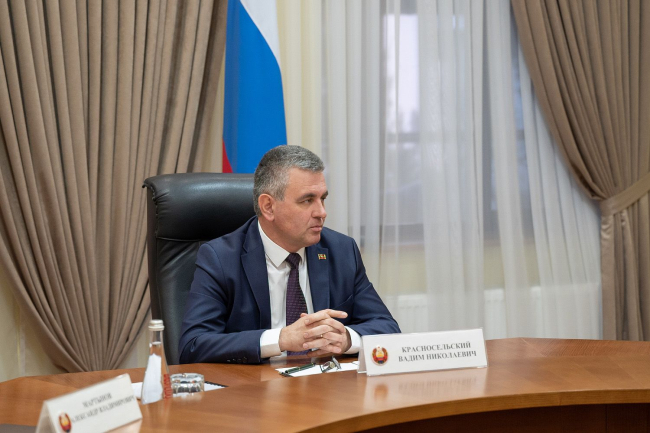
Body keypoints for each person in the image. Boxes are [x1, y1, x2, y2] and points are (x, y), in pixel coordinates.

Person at [178, 145, 400, 364]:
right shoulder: (221, 258)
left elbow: (387, 328)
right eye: (307, 200)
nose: (322, 212)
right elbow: (193, 345)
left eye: (322, 199)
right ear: (268, 206)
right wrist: (280, 339)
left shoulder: (341, 251)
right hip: (256, 384)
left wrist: (347, 339)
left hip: (324, 382)